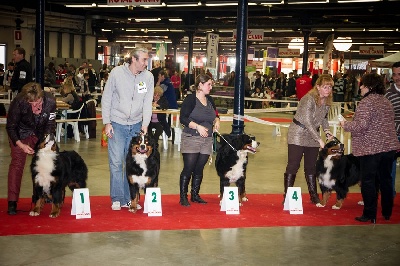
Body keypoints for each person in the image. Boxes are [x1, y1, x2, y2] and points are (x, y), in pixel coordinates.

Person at [340, 73, 400, 223]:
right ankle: (387, 212)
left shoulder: (366, 102)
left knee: (368, 181)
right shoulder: (386, 102)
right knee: (386, 180)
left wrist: (345, 124)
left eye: (363, 85)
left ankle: (369, 214)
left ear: (370, 87)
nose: (360, 87)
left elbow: (361, 126)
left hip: (371, 149)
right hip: (388, 148)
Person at [101, 47, 154, 211]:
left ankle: (129, 198)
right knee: (116, 162)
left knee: (130, 164)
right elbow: (107, 97)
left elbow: (147, 102)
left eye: (147, 60)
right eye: (144, 60)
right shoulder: (116, 73)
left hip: (136, 125)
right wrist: (107, 122)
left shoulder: (148, 77)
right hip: (117, 123)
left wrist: (145, 124)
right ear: (134, 59)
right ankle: (117, 198)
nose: (146, 63)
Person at [5, 82, 56, 215]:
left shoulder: (50, 101)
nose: (35, 106)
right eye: (31, 103)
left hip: (39, 134)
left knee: (41, 165)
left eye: (37, 102)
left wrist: (46, 142)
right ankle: (12, 201)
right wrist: (20, 145)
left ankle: (38, 197)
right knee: (17, 164)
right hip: (20, 134)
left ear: (41, 97)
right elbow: (11, 126)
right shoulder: (18, 101)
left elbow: (50, 124)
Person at [283, 74, 334, 204]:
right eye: (325, 87)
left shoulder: (327, 102)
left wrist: (327, 131)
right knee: (293, 166)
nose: (328, 90)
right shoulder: (308, 99)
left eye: (330, 87)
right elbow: (307, 121)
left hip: (313, 136)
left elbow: (323, 118)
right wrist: (319, 139)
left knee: (311, 167)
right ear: (318, 87)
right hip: (298, 134)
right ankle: (287, 196)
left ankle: (313, 195)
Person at [179, 73, 220, 206]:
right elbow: (183, 118)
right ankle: (183, 196)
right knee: (188, 168)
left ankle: (195, 195)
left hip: (207, 140)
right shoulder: (190, 99)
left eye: (211, 84)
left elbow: (215, 113)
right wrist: (197, 127)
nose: (211, 87)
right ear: (200, 85)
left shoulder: (210, 100)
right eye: (209, 84)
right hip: (191, 137)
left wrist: (217, 120)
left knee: (199, 168)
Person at [385, 61, 400, 197]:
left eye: (399, 74)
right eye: (395, 74)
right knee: (390, 167)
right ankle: (390, 194)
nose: (397, 77)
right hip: (394, 135)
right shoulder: (388, 94)